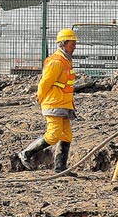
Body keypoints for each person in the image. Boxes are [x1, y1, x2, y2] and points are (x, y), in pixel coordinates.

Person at [17, 28, 78, 175]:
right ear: (63, 44)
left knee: (66, 136)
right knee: (53, 135)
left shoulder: (66, 61)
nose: (74, 46)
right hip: (54, 103)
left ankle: (60, 168)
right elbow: (44, 83)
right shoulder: (56, 62)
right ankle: (26, 153)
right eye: (72, 43)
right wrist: (39, 97)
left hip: (64, 103)